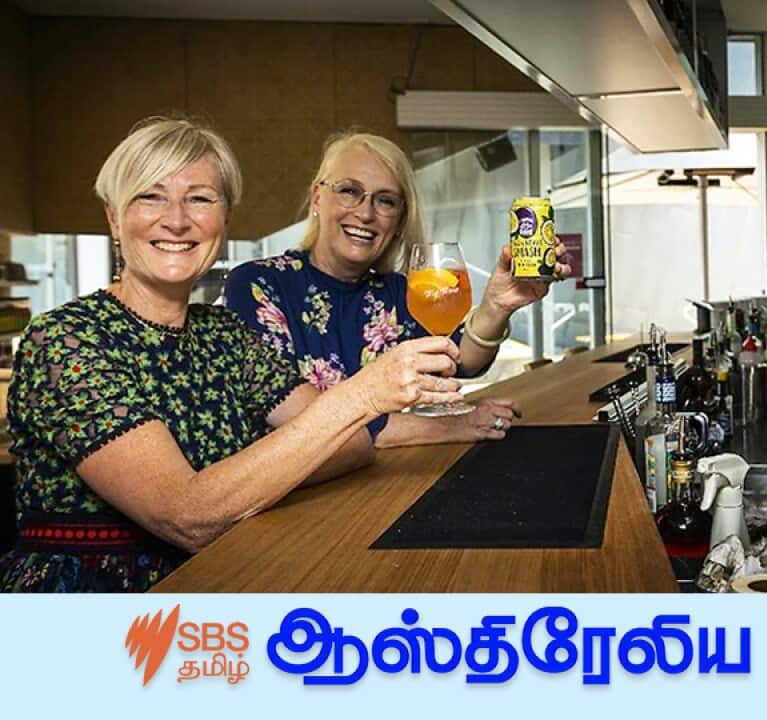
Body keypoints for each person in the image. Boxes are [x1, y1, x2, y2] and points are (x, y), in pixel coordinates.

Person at [0, 118, 464, 592]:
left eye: (200, 198)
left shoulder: (226, 335)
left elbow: (352, 445)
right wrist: (361, 396)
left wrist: (242, 484)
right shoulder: (67, 339)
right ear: (115, 218)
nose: (177, 220)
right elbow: (188, 517)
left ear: (224, 220)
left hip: (228, 584)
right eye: (150, 195)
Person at [222, 132, 571, 448]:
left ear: (400, 219)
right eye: (349, 191)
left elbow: (459, 361)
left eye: (385, 201)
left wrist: (497, 305)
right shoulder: (257, 286)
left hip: (375, 489)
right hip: (289, 504)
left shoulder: (394, 293)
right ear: (317, 198)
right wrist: (453, 427)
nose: (365, 213)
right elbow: (305, 425)